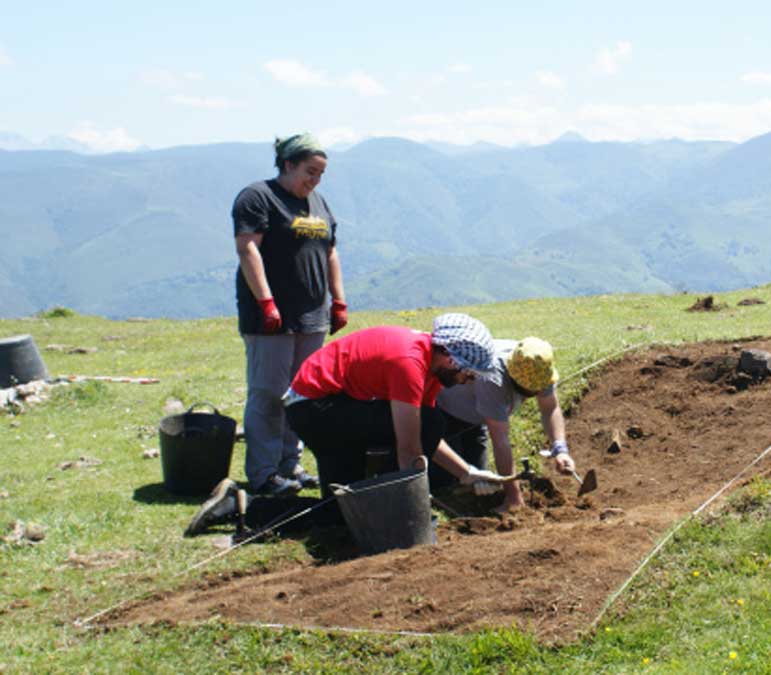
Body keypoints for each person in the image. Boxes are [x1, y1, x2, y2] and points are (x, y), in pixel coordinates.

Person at [185, 313, 508, 537]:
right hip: (316, 410)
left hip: (335, 408)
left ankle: (240, 505)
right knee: (430, 423)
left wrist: (467, 472)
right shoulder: (409, 364)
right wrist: (415, 513)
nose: (469, 381)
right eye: (469, 373)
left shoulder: (430, 368)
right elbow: (411, 444)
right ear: (452, 359)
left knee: (342, 512)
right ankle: (389, 500)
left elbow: (424, 435)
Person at [233, 132, 349, 497]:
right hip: (272, 319)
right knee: (268, 393)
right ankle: (264, 473)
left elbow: (330, 251)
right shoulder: (258, 197)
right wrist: (266, 302)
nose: (314, 180)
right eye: (309, 172)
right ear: (287, 165)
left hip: (312, 317)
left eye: (320, 174)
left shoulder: (318, 202)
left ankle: (290, 464)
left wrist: (339, 300)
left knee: (301, 394)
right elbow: (247, 248)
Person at [433, 337, 575, 512]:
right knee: (448, 484)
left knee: (481, 482)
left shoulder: (538, 366)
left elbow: (550, 407)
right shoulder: (493, 378)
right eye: (533, 391)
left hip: (477, 419)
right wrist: (514, 498)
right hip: (446, 413)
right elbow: (500, 440)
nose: (538, 392)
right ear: (515, 380)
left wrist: (560, 449)